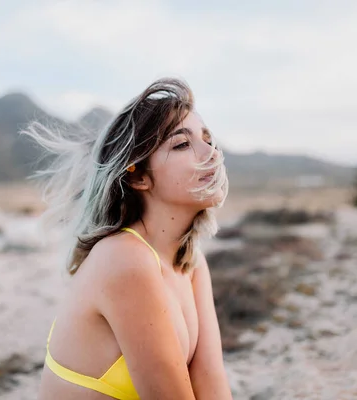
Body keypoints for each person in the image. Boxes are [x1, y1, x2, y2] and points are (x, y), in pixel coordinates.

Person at [23, 78, 232, 399]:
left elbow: (211, 381)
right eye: (182, 144)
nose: (212, 153)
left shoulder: (190, 260)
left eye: (207, 139)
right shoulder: (124, 259)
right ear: (139, 177)